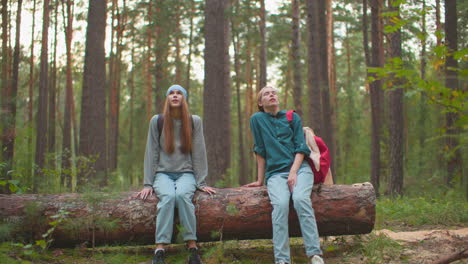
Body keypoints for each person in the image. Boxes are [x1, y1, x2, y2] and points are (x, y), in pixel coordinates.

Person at [244, 86, 324, 264]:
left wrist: (294, 172)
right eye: (266, 93)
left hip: (301, 169)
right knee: (279, 205)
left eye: (274, 92)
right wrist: (259, 180)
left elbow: (301, 147)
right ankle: (282, 260)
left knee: (300, 199)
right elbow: (260, 149)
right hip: (275, 174)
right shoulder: (257, 119)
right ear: (260, 102)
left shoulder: (292, 117)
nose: (271, 94)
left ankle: (315, 254)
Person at [137, 84, 216, 264]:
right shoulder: (157, 121)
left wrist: (201, 182)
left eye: (179, 93)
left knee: (181, 196)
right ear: (167, 98)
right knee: (167, 198)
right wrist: (148, 184)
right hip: (163, 174)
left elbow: (199, 152)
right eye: (171, 93)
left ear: (184, 98)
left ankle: (192, 247)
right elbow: (152, 152)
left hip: (186, 174)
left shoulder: (194, 121)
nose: (174, 95)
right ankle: (159, 250)